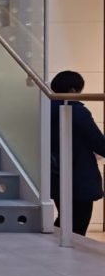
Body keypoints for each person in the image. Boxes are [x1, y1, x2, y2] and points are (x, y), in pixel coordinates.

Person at [50, 70, 105, 236]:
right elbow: (98, 142)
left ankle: (53, 248)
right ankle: (64, 251)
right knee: (78, 224)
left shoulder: (47, 109)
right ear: (73, 90)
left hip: (56, 174)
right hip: (79, 176)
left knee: (65, 219)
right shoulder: (76, 111)